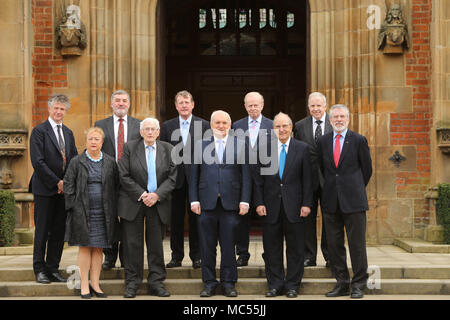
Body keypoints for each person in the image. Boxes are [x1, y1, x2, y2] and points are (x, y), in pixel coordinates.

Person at [190, 110, 251, 298]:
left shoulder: (240, 145)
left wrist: (245, 200)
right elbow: (193, 176)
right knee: (207, 246)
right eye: (217, 123)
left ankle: (228, 283)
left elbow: (246, 176)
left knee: (228, 246)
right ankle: (209, 283)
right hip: (206, 203)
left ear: (230, 125)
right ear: (211, 125)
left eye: (225, 122)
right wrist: (193, 199)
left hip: (230, 203)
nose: (221, 126)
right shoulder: (200, 145)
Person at [253, 112, 313, 298]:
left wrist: (306, 204)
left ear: (291, 127)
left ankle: (293, 285)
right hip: (270, 207)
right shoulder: (264, 149)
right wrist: (259, 203)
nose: (282, 130)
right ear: (273, 129)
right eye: (278, 126)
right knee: (272, 249)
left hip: (295, 207)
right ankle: (275, 285)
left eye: (285, 126)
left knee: (295, 248)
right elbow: (257, 180)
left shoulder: (302, 148)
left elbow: (308, 180)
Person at [317, 104, 372, 299]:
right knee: (334, 245)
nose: (339, 120)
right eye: (335, 117)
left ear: (348, 119)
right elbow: (322, 170)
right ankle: (341, 282)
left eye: (342, 116)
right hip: (331, 200)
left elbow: (367, 170)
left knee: (357, 244)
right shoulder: (322, 141)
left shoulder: (358, 140)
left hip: (354, 201)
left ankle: (358, 285)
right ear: (330, 120)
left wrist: (353, 187)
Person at [118, 118, 176, 298]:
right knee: (132, 244)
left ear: (158, 132)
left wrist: (156, 195)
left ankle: (156, 282)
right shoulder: (129, 147)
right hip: (134, 201)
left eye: (153, 129)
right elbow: (124, 174)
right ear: (141, 132)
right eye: (147, 129)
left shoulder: (169, 149)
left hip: (157, 202)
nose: (150, 132)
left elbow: (172, 177)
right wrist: (143, 194)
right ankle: (132, 283)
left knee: (156, 245)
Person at [64, 127, 119, 299]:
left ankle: (95, 284)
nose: (93, 142)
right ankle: (84, 286)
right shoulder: (76, 161)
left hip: (104, 212)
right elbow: (68, 185)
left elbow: (116, 186)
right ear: (86, 141)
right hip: (83, 211)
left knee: (98, 249)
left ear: (102, 142)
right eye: (90, 139)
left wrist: (114, 209)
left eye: (97, 139)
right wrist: (74, 206)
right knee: (85, 247)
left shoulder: (110, 162)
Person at [29, 94, 78, 284]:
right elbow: (38, 162)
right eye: (56, 108)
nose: (59, 112)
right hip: (45, 189)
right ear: (49, 109)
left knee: (58, 232)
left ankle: (53, 268)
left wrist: (66, 183)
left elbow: (73, 159)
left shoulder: (68, 132)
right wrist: (56, 181)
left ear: (66, 111)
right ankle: (39, 269)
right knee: (42, 231)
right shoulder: (39, 131)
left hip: (63, 190)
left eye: (62, 109)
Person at [159, 90, 209, 269]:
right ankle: (176, 256)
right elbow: (163, 154)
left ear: (193, 104)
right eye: (180, 102)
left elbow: (208, 154)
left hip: (198, 179)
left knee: (197, 219)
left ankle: (197, 256)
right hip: (175, 180)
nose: (184, 105)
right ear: (176, 105)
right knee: (176, 220)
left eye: (187, 102)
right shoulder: (167, 126)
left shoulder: (204, 125)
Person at [94, 90, 141, 270]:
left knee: (129, 219)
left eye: (124, 101)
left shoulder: (139, 125)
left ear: (129, 104)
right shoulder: (101, 124)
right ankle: (110, 256)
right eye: (117, 101)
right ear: (111, 104)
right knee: (109, 218)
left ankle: (126, 257)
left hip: (132, 180)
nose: (121, 104)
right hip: (108, 179)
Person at [231, 92, 273, 267]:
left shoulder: (272, 125)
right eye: (250, 105)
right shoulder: (236, 125)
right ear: (245, 106)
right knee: (242, 218)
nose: (253, 108)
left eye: (256, 105)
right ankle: (242, 254)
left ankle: (269, 253)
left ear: (262, 105)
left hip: (267, 177)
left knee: (269, 217)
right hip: (243, 178)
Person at [293, 92, 332, 268]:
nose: (316, 109)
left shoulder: (335, 122)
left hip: (330, 180)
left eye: (319, 105)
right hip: (306, 180)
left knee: (330, 218)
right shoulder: (299, 126)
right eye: (312, 106)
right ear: (308, 107)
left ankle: (330, 256)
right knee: (307, 219)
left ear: (325, 106)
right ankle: (309, 256)